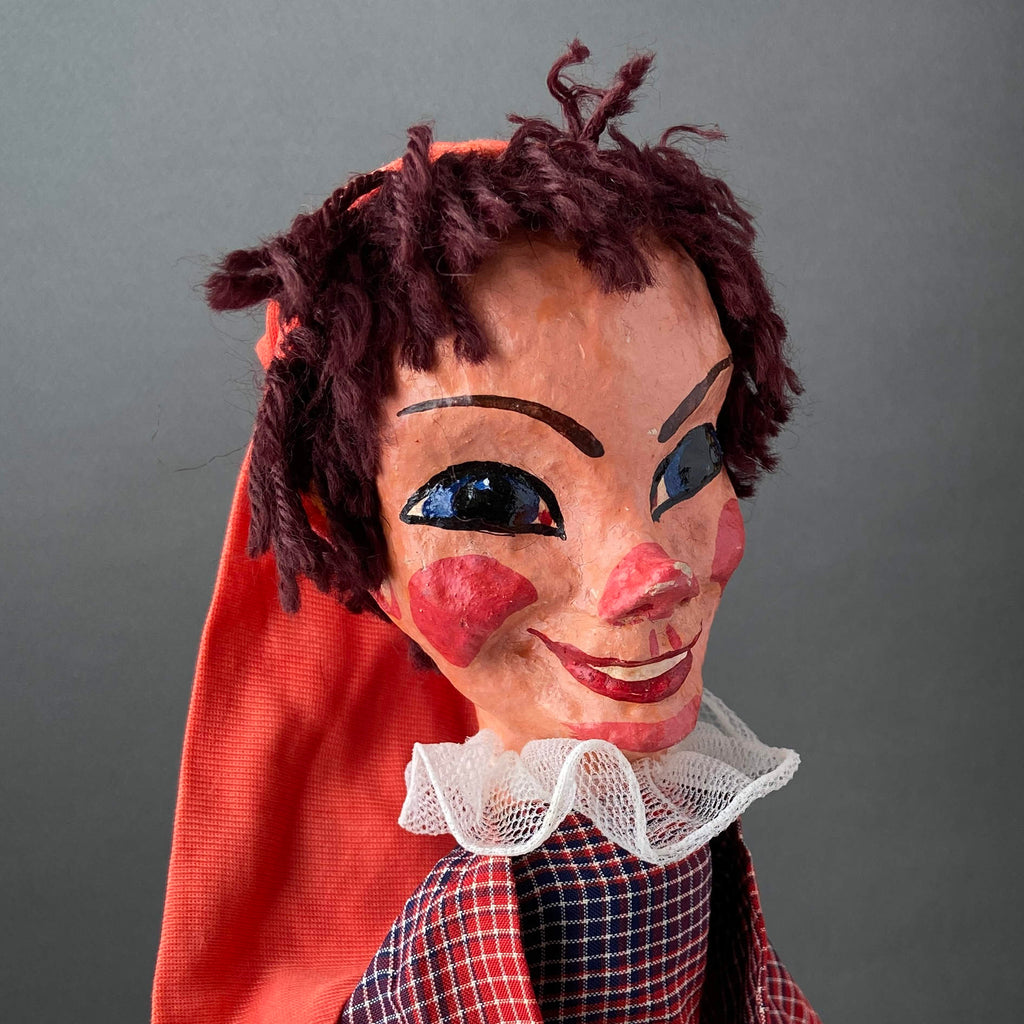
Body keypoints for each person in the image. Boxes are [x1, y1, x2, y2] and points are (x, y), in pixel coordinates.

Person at [153, 41, 820, 1024]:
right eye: (491, 499)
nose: (648, 573)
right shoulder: (472, 917)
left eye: (687, 462)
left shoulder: (688, 815)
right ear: (350, 538)